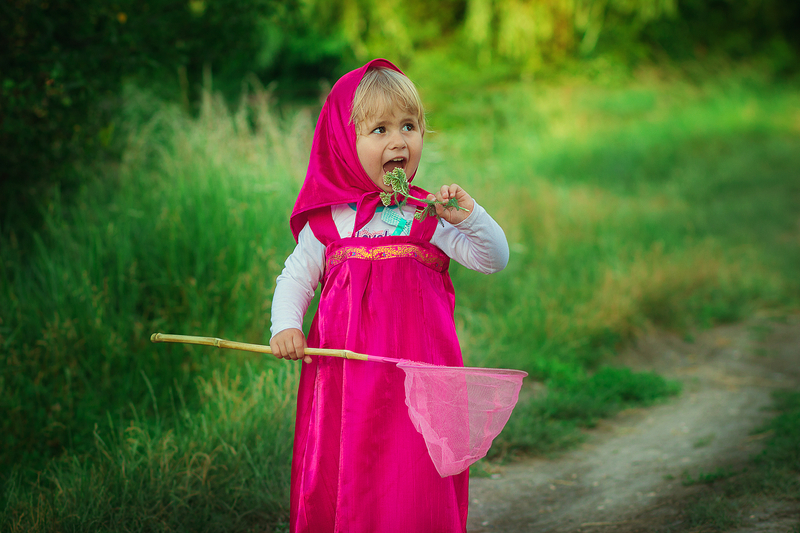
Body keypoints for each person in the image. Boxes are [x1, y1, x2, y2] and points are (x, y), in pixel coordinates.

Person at [269, 58, 509, 533]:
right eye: (379, 129)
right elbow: (295, 277)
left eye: (409, 126)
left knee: (413, 472)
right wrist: (287, 326)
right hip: (347, 380)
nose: (399, 141)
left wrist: (470, 217)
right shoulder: (329, 221)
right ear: (344, 143)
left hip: (419, 377)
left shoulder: (428, 214)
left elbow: (493, 258)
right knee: (350, 466)